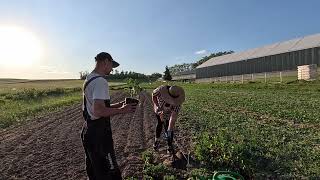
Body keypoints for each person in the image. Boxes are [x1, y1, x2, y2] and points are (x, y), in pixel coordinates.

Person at [81, 52, 137, 180]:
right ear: (106, 61)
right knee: (110, 172)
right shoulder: (101, 81)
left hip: (88, 131)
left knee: (94, 171)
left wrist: (118, 105)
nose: (112, 70)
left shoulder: (89, 78)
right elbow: (99, 111)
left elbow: (94, 107)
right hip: (99, 135)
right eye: (112, 66)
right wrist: (122, 110)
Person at [152, 85, 185, 154]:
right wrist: (157, 107)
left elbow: (173, 117)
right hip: (159, 110)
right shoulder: (160, 91)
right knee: (159, 124)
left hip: (168, 114)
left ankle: (169, 145)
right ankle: (157, 140)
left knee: (169, 128)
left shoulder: (177, 104)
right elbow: (153, 96)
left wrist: (169, 130)